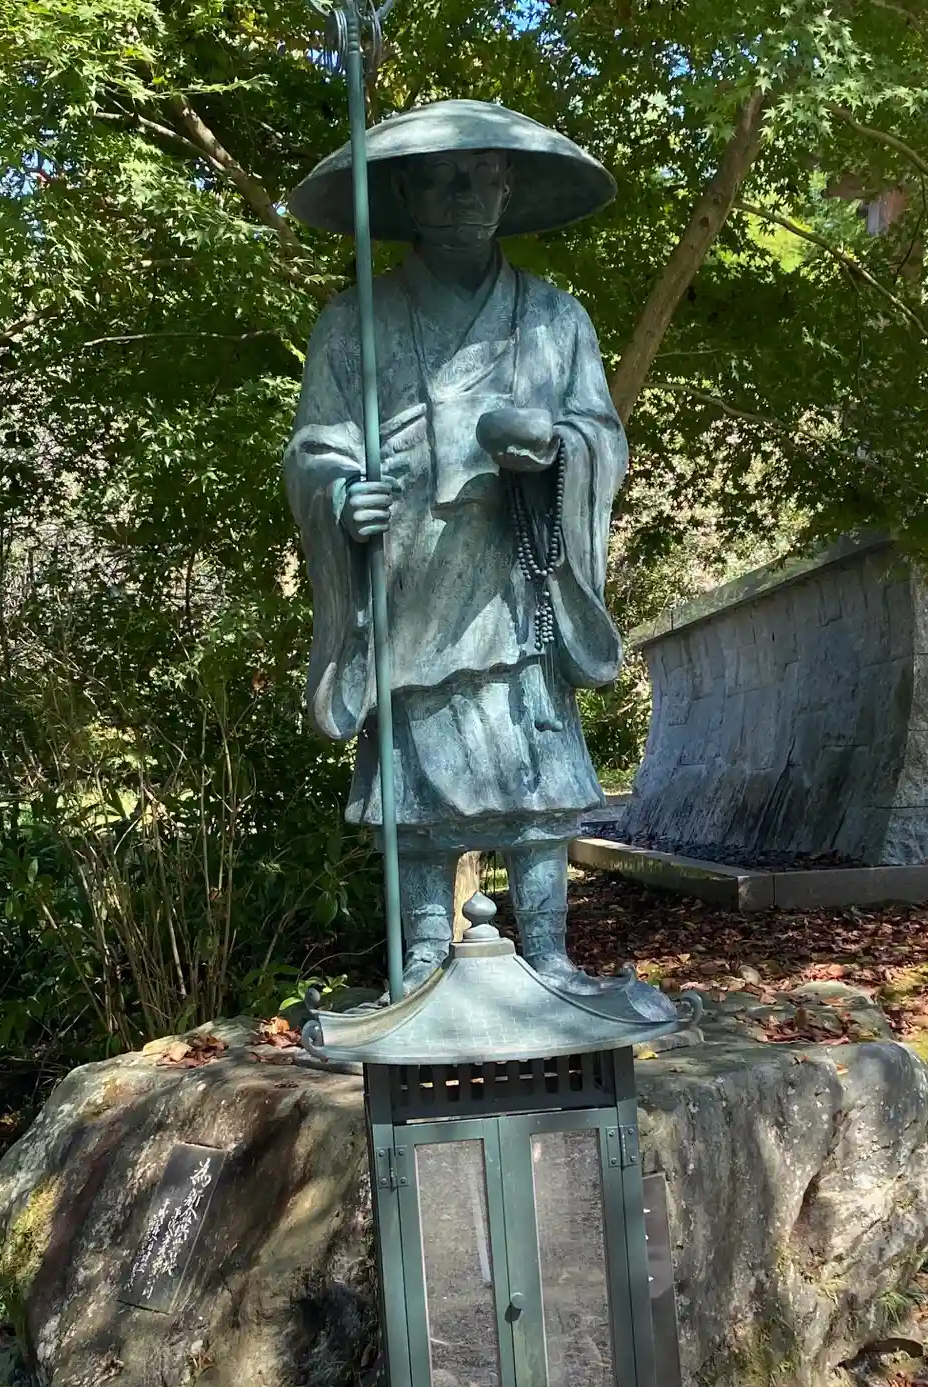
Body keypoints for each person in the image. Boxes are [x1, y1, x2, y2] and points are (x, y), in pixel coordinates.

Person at [285, 100, 627, 990]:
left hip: (517, 570)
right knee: (418, 783)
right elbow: (317, 446)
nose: (462, 193)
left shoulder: (555, 319)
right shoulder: (354, 320)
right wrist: (339, 495)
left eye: (481, 175)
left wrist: (558, 450)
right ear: (404, 193)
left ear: (509, 189)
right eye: (438, 177)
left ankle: (549, 953)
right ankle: (424, 957)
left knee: (537, 768)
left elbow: (601, 433)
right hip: (410, 572)